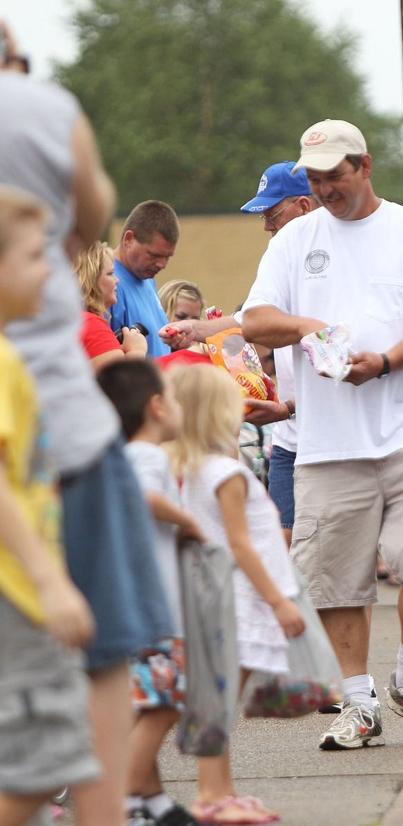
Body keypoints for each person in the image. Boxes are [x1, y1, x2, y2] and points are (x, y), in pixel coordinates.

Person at [241, 120, 403, 747]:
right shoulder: (296, 240)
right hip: (326, 440)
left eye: (334, 177)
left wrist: (386, 362)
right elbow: (256, 318)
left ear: (364, 166)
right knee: (335, 577)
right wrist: (311, 325)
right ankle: (359, 702)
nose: (323, 189)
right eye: (314, 179)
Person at [1, 26, 175, 826]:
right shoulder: (38, 108)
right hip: (61, 436)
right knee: (105, 647)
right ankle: (107, 812)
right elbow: (94, 208)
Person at [0, 186, 98, 826]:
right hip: (17, 596)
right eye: (36, 257)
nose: (50, 273)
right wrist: (47, 580)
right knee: (47, 764)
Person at [168, 365, 304, 825]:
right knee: (221, 702)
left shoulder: (200, 468)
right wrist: (278, 601)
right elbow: (242, 544)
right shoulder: (226, 473)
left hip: (222, 597)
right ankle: (210, 795)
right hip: (239, 600)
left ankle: (222, 791)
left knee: (221, 702)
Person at [159, 161, 316, 543]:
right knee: (282, 546)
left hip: (331, 443)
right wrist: (199, 329)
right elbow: (252, 317)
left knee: (327, 566)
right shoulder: (280, 257)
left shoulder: (326, 261)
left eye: (272, 213)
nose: (266, 225)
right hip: (290, 439)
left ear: (304, 207)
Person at [95, 360, 202, 826]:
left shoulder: (123, 455)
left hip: (140, 606)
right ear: (156, 407)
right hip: (153, 612)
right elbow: (144, 498)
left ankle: (150, 799)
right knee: (163, 705)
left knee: (149, 703)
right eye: (174, 400)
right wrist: (190, 522)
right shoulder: (148, 456)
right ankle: (122, 795)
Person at [109, 200, 179, 358]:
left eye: (167, 257)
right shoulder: (106, 282)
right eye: (154, 255)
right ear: (128, 239)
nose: (162, 264)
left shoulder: (147, 278)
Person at [74, 240, 149, 369]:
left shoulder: (75, 322)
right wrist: (136, 351)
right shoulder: (92, 326)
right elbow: (124, 386)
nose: (117, 280)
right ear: (90, 280)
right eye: (110, 274)